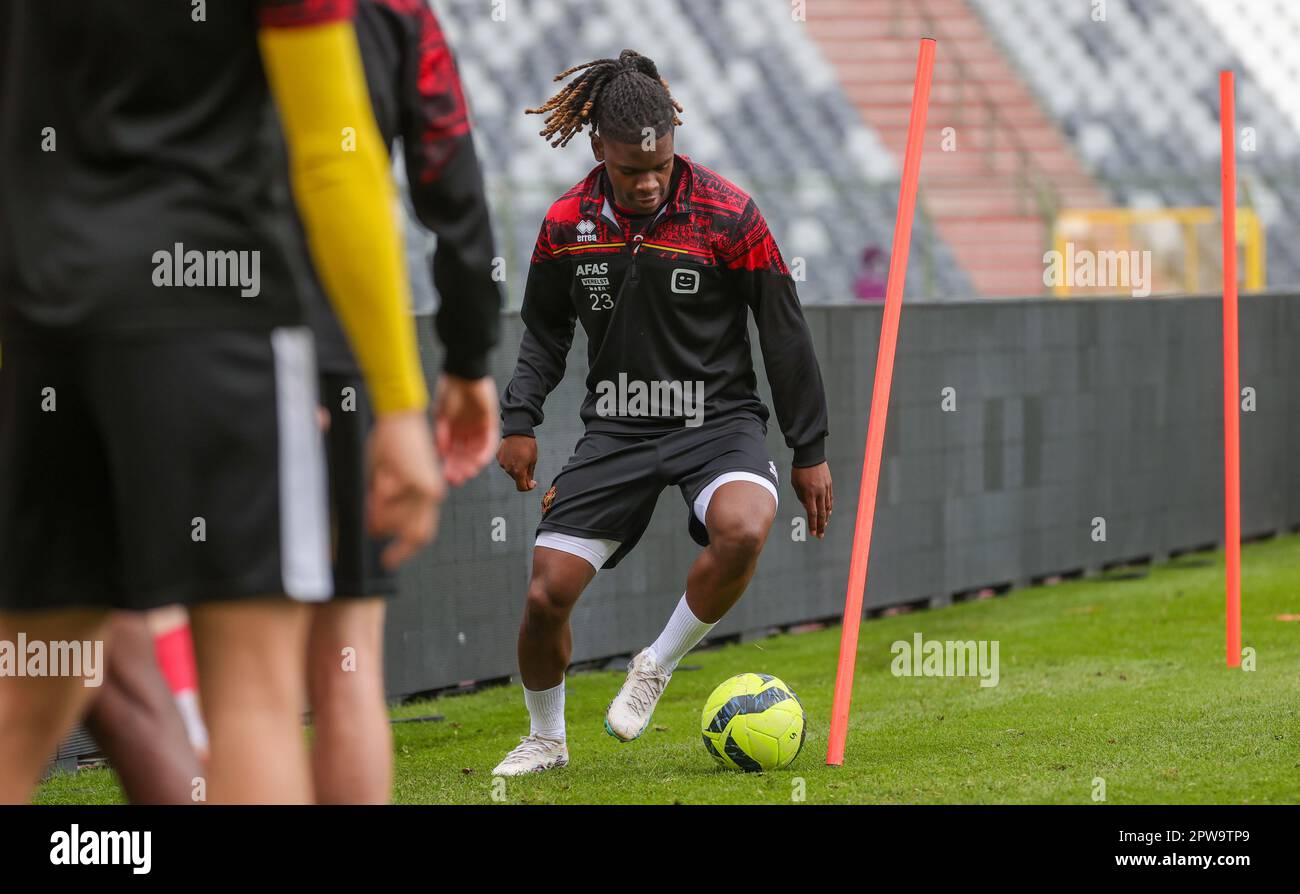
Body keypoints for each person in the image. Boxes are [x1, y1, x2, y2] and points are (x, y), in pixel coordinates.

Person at [0, 0, 440, 804]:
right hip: (219, 307)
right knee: (255, 700)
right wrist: (401, 402)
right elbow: (335, 153)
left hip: (43, 320)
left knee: (23, 694)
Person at [492, 50, 833, 775]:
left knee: (742, 528)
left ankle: (655, 665)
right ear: (598, 151)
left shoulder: (729, 213)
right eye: (629, 169)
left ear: (673, 139)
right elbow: (545, 334)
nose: (647, 181)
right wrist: (519, 419)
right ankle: (546, 740)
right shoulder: (564, 225)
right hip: (617, 423)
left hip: (718, 421)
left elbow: (784, 331)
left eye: (660, 164)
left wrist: (810, 448)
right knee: (546, 595)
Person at [301, 0, 501, 803]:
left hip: (105, 327)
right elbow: (452, 183)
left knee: (152, 656)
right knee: (333, 661)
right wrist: (465, 358)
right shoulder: (394, 13)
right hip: (313, 340)